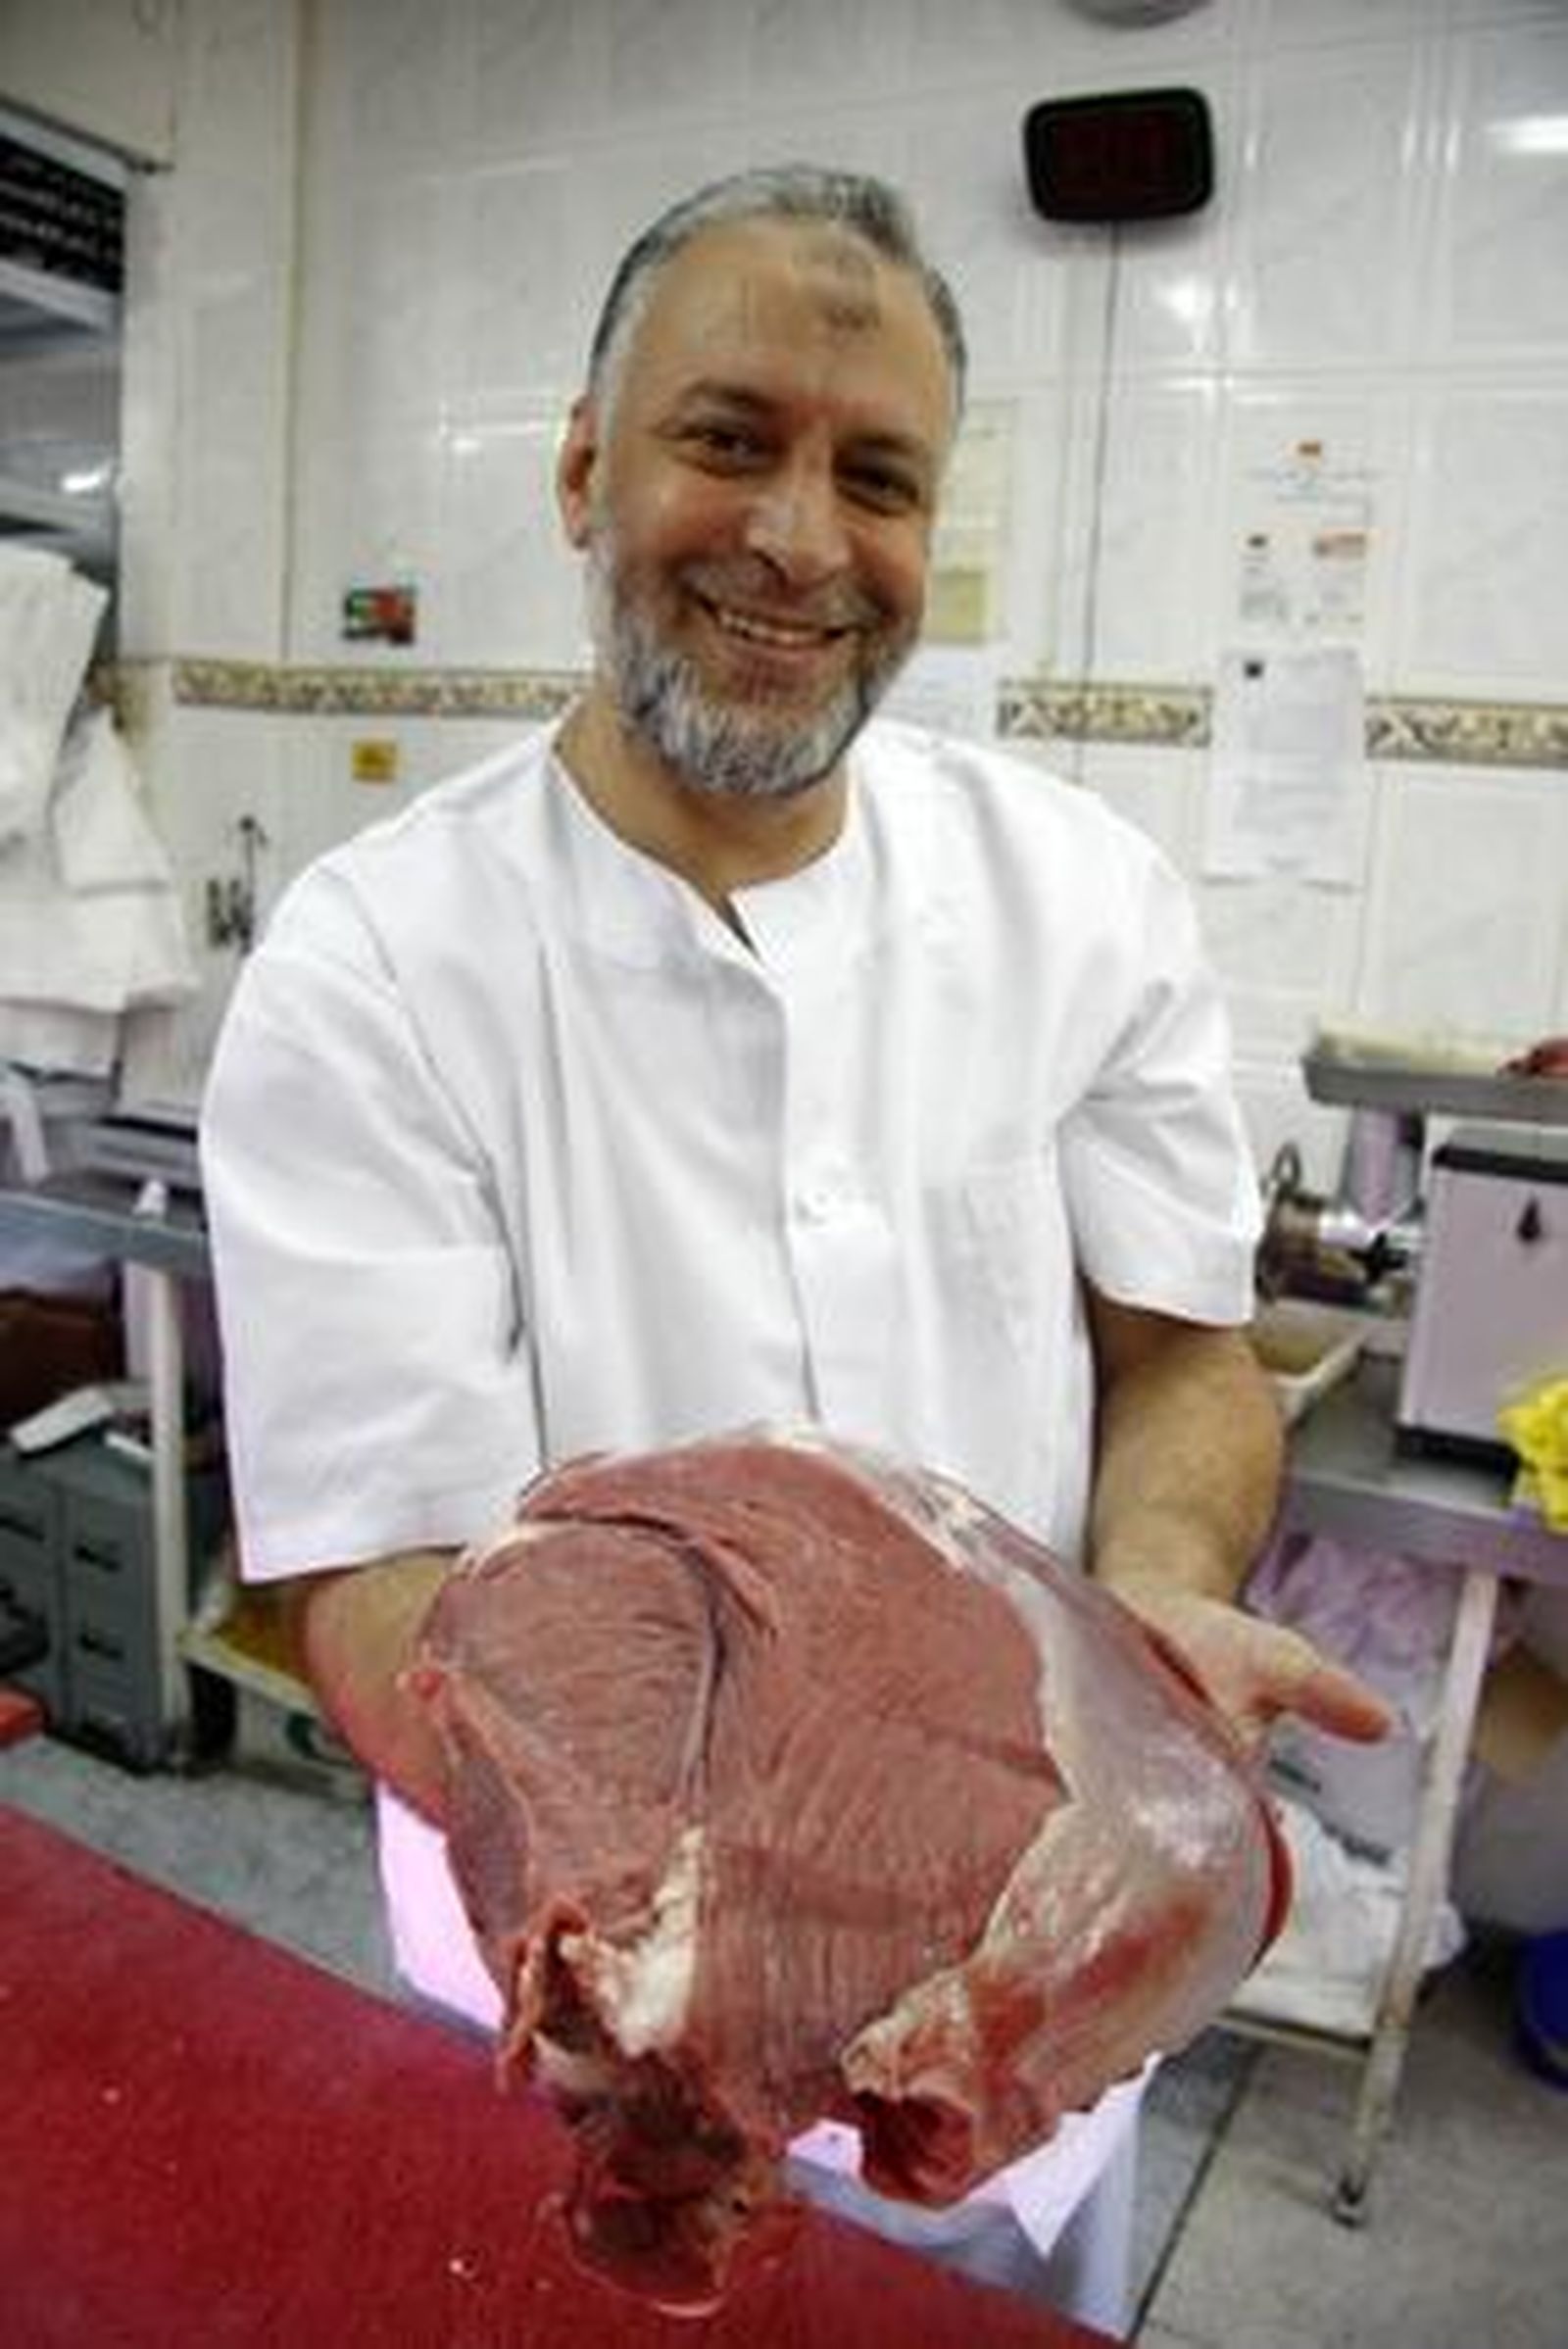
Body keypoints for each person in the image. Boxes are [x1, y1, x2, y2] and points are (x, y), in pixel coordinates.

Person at [200, 164, 1388, 2331]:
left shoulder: (1080, 895)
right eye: (726, 438)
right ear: (584, 468)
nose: (799, 538)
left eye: (878, 477)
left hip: (1029, 1990)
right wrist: (645, 1920)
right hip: (575, 2018)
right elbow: (364, 1565)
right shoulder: (373, 964)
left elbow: (1180, 1358)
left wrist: (1151, 1608)